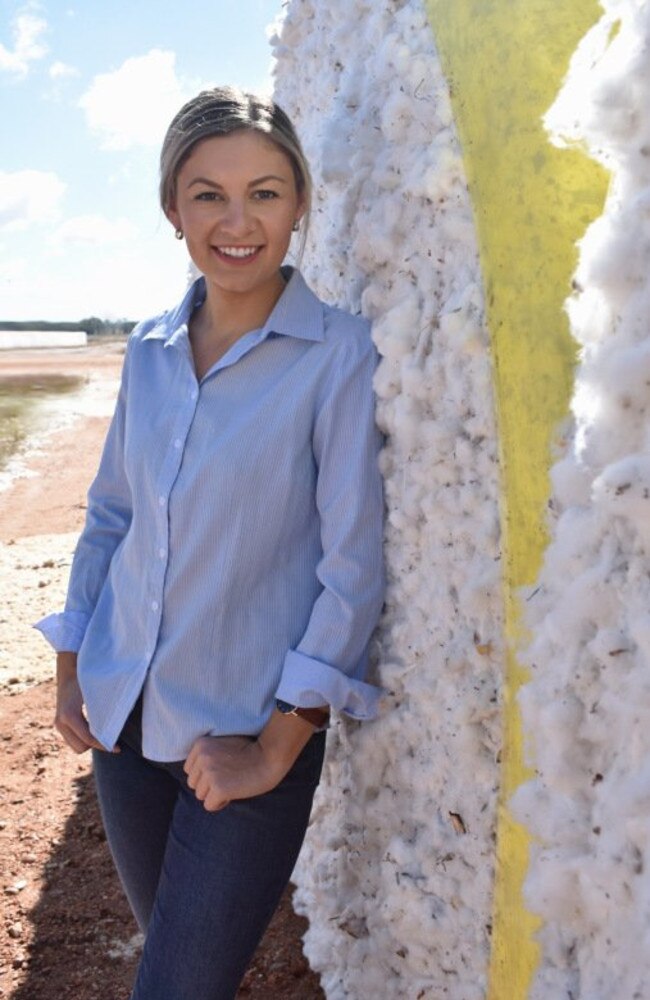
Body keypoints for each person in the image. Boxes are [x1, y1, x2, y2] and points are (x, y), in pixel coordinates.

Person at [35, 86, 384, 1000]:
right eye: (208, 194)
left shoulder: (337, 355)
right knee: (180, 967)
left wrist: (277, 745)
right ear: (171, 210)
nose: (239, 221)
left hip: (240, 737)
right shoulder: (147, 351)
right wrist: (74, 665)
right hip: (123, 726)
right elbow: (113, 514)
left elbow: (351, 569)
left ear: (301, 203)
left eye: (265, 192)